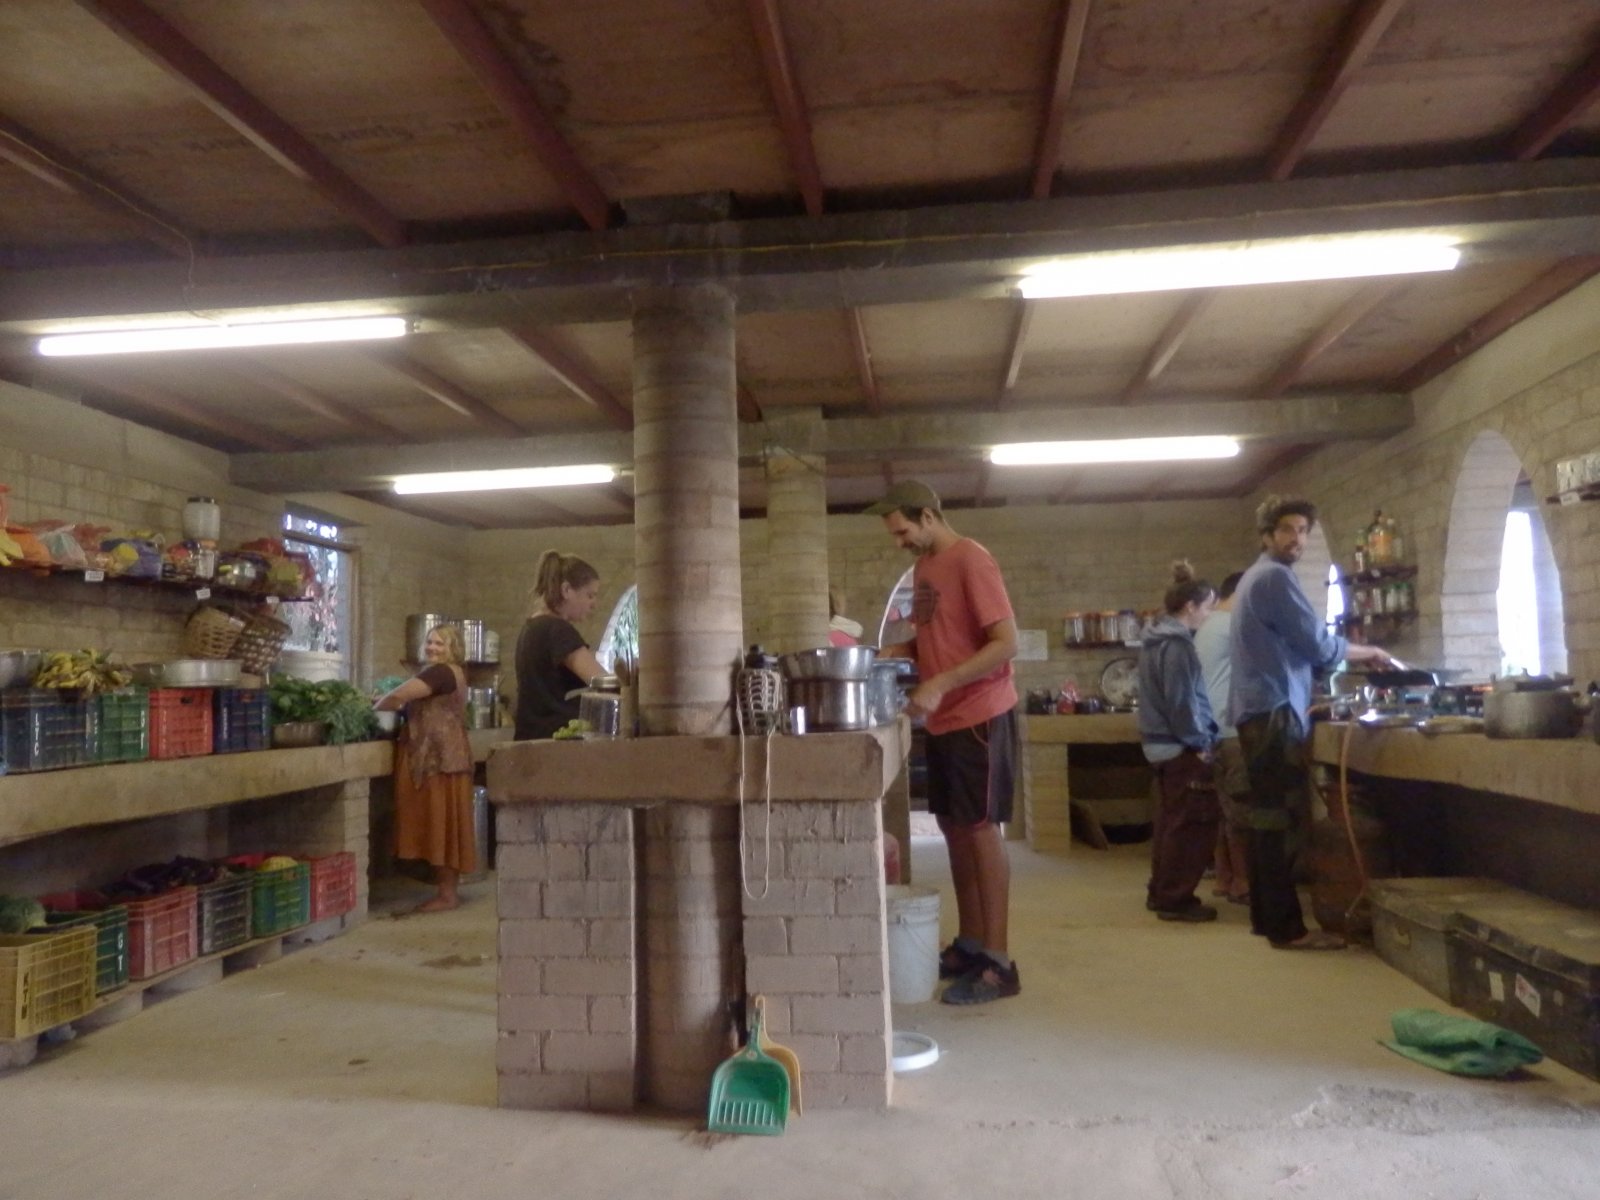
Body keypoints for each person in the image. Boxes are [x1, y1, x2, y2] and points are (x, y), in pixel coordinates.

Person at [868, 480, 1021, 1005]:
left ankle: (1000, 963)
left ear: (928, 516)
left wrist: (940, 683)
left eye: (903, 531)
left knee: (980, 830)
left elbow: (1005, 642)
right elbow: (946, 636)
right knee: (955, 828)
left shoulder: (971, 559)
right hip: (945, 720)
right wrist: (905, 649)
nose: (900, 542)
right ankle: (972, 944)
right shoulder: (925, 568)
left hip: (979, 713)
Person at [1230, 496, 1394, 950]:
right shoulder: (1275, 578)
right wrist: (1369, 651)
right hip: (1275, 710)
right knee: (1281, 822)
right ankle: (1288, 929)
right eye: (1287, 529)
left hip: (1258, 709)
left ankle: (1267, 919)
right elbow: (1318, 645)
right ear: (1267, 535)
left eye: (1303, 530)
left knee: (1265, 820)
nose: (1297, 539)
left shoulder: (1253, 577)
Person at [1138, 561, 1222, 922]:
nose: (1209, 614)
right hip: (1180, 746)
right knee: (1189, 826)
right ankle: (1175, 899)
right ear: (1190, 606)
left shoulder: (1154, 640)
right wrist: (1199, 742)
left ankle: (1160, 891)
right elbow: (1182, 702)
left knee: (1169, 823)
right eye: (1208, 607)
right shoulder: (1178, 646)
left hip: (1160, 745)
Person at [375, 624, 474, 914]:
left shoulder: (439, 672)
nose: (432, 647)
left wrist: (375, 706)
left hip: (437, 759)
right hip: (450, 756)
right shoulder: (454, 672)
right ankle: (448, 892)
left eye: (440, 643)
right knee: (447, 825)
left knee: (440, 823)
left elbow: (397, 697)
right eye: (430, 642)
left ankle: (447, 895)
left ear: (453, 648)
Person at [1194, 570, 1251, 906]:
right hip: (1231, 728)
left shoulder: (1208, 625)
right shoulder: (1233, 626)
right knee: (1241, 810)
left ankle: (1225, 877)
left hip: (1210, 727)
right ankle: (1242, 882)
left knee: (1222, 809)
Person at [514, 550, 604, 740]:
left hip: (529, 735)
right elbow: (602, 682)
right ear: (566, 590)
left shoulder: (532, 626)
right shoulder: (557, 629)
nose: (594, 604)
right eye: (590, 595)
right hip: (551, 738)